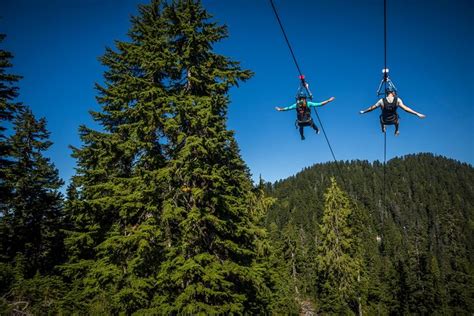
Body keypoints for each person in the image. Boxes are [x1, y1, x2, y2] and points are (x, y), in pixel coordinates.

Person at [359, 88, 426, 136]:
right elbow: (406, 109)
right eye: (394, 92)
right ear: (392, 93)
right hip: (393, 120)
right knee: (397, 121)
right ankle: (396, 130)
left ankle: (383, 128)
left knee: (381, 118)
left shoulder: (381, 101)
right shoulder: (397, 100)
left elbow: (372, 108)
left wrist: (364, 111)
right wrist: (417, 114)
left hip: (384, 120)